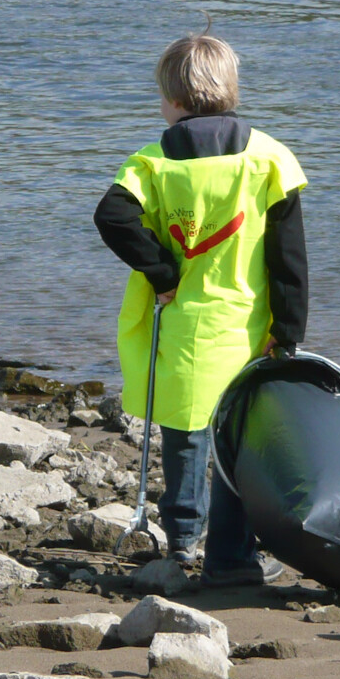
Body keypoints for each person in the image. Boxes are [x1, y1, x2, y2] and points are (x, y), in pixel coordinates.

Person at [94, 29, 308, 586]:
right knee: (240, 440)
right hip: (248, 327)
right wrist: (288, 331)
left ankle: (185, 541)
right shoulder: (270, 159)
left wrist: (162, 271)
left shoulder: (153, 161)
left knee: (186, 434)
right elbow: (289, 258)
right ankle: (234, 555)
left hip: (185, 324)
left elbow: (112, 217)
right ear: (231, 90)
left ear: (172, 99)